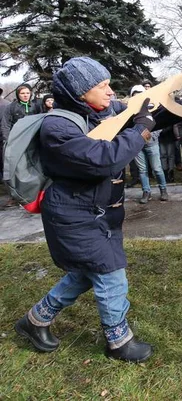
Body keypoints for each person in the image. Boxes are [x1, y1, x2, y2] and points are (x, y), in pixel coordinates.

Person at [14, 57, 156, 362]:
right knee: (110, 273)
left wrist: (154, 108)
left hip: (96, 213)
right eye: (101, 86)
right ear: (80, 93)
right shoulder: (58, 126)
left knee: (83, 275)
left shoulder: (97, 113)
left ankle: (35, 321)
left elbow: (131, 113)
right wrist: (140, 130)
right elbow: (103, 159)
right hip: (74, 216)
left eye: (108, 84)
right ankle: (118, 341)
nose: (109, 92)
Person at [130, 85, 169, 204]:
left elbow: (158, 125)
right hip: (137, 145)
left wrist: (151, 136)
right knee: (142, 170)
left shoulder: (152, 108)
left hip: (151, 143)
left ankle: (163, 190)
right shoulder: (130, 111)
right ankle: (146, 192)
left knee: (157, 169)